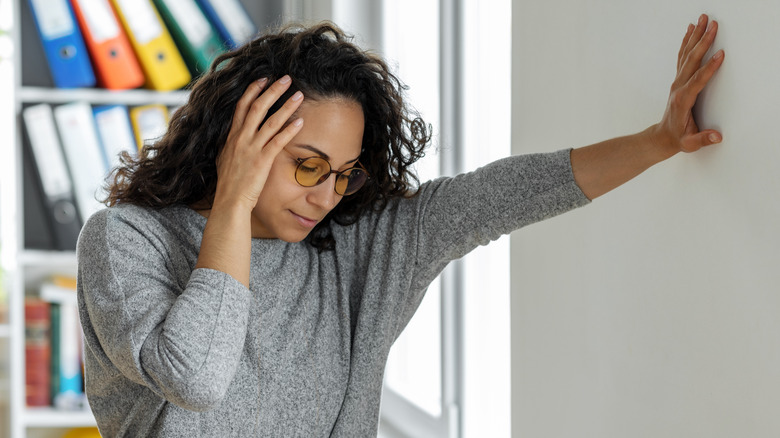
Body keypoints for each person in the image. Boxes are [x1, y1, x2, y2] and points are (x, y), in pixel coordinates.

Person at [76, 15, 724, 437]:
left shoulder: (353, 248)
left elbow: (499, 195)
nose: (327, 195)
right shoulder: (126, 242)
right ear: (237, 143)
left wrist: (658, 140)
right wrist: (234, 205)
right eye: (307, 166)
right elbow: (194, 376)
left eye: (344, 173)